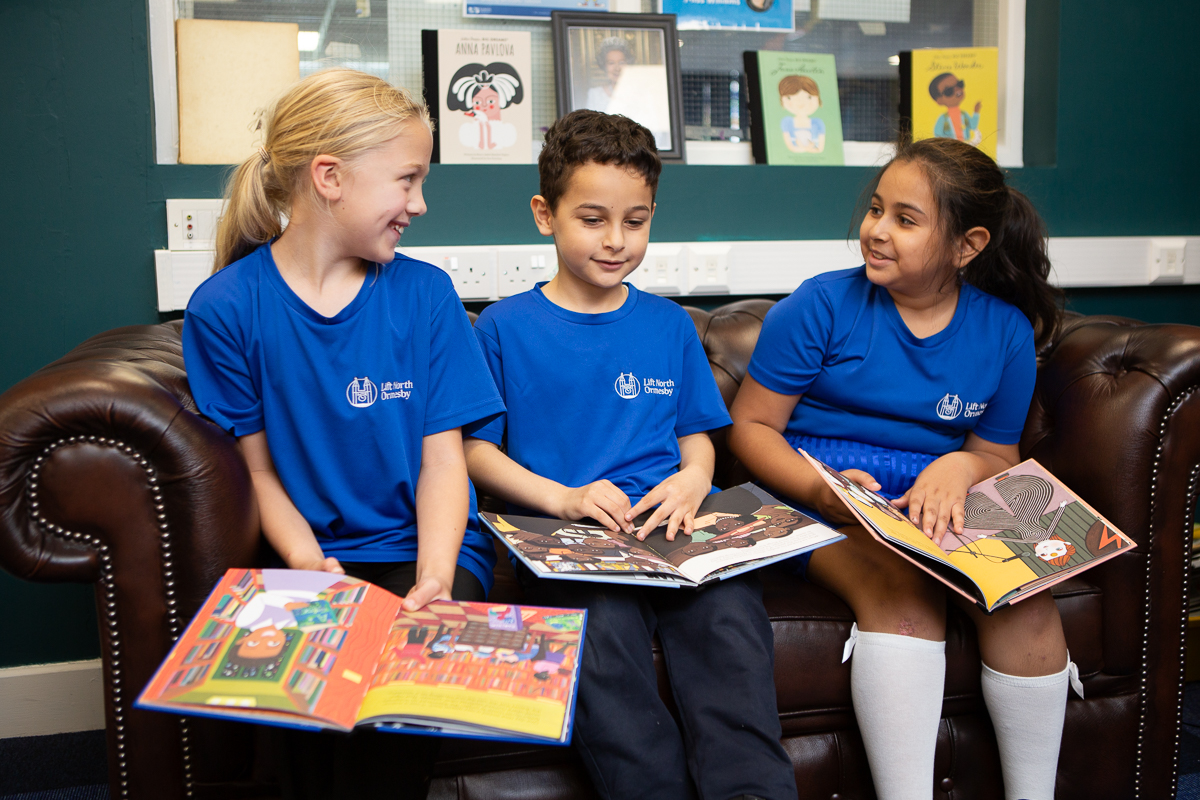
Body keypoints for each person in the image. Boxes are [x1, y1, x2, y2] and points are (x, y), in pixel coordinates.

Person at [182, 68, 505, 799]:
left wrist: (435, 576)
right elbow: (258, 473)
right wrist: (309, 564)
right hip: (309, 556)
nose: (419, 204)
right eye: (407, 180)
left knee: (389, 710)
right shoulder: (225, 308)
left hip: (423, 552)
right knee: (310, 727)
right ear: (328, 178)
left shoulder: (425, 294)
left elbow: (444, 464)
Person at [728, 136, 1076, 800]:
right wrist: (821, 491)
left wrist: (960, 464)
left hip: (931, 502)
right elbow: (752, 427)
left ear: (967, 246)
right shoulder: (820, 305)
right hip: (814, 495)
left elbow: (997, 456)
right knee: (902, 591)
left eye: (905, 219)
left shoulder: (1005, 333)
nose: (877, 230)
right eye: (876, 209)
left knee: (1026, 602)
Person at [463, 109, 796, 800]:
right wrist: (565, 498)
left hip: (676, 528)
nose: (616, 240)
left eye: (635, 221)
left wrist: (695, 478)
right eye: (593, 219)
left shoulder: (669, 326)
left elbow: (696, 433)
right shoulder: (501, 327)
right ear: (545, 215)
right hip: (567, 535)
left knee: (731, 623)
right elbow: (475, 453)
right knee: (603, 637)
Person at [930, 72, 982, 145]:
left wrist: (976, 112)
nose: (957, 90)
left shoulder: (964, 115)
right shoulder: (943, 119)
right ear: (939, 100)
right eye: (949, 91)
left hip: (966, 144)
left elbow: (973, 126)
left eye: (959, 84)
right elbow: (937, 134)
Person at [778, 75, 826, 154]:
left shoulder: (818, 123)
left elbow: (820, 149)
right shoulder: (787, 122)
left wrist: (805, 148)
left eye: (809, 97)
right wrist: (806, 148)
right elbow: (790, 147)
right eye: (789, 98)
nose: (800, 103)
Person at [583, 37, 632, 113]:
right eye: (611, 63)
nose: (617, 68)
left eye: (621, 63)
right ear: (604, 66)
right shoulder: (594, 94)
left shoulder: (638, 94)